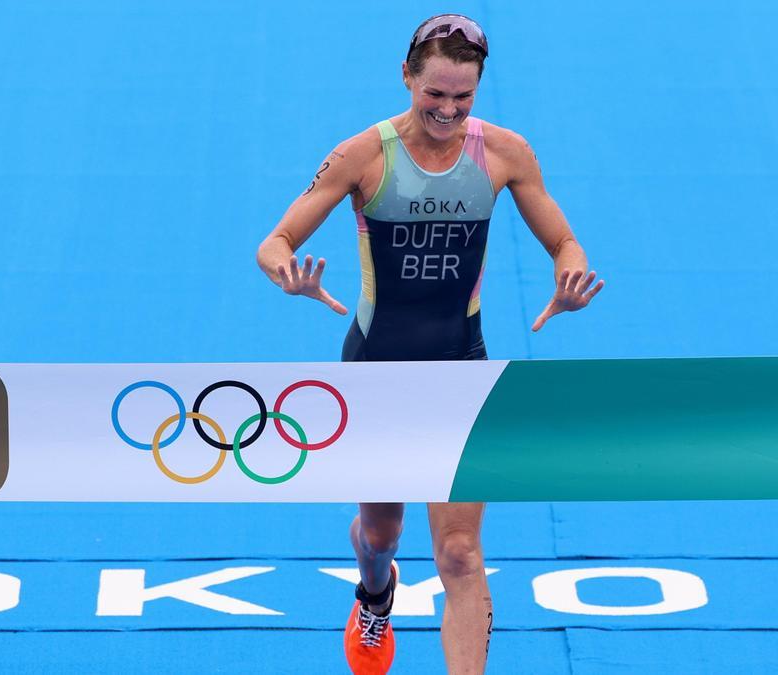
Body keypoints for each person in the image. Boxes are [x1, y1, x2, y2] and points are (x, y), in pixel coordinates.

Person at [255, 14, 604, 674]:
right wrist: (289, 277)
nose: (447, 110)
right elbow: (274, 243)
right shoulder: (363, 155)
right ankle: (375, 592)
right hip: (376, 370)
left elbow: (564, 239)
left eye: (463, 97)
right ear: (406, 76)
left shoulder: (505, 154)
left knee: (461, 553)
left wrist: (568, 274)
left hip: (459, 369)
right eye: (435, 94)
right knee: (382, 535)